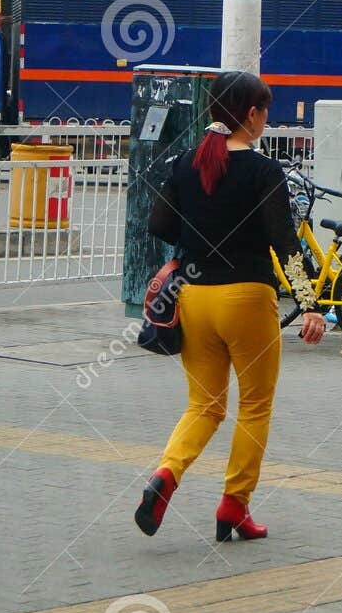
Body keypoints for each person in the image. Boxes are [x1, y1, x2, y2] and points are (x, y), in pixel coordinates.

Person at [136, 71, 328, 543]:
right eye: (265, 110)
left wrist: (199, 234)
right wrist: (310, 304)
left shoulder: (186, 163)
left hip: (194, 297)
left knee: (204, 405)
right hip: (247, 298)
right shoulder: (264, 171)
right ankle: (233, 506)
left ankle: (167, 473)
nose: (267, 117)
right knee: (255, 406)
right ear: (251, 114)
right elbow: (285, 245)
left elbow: (159, 225)